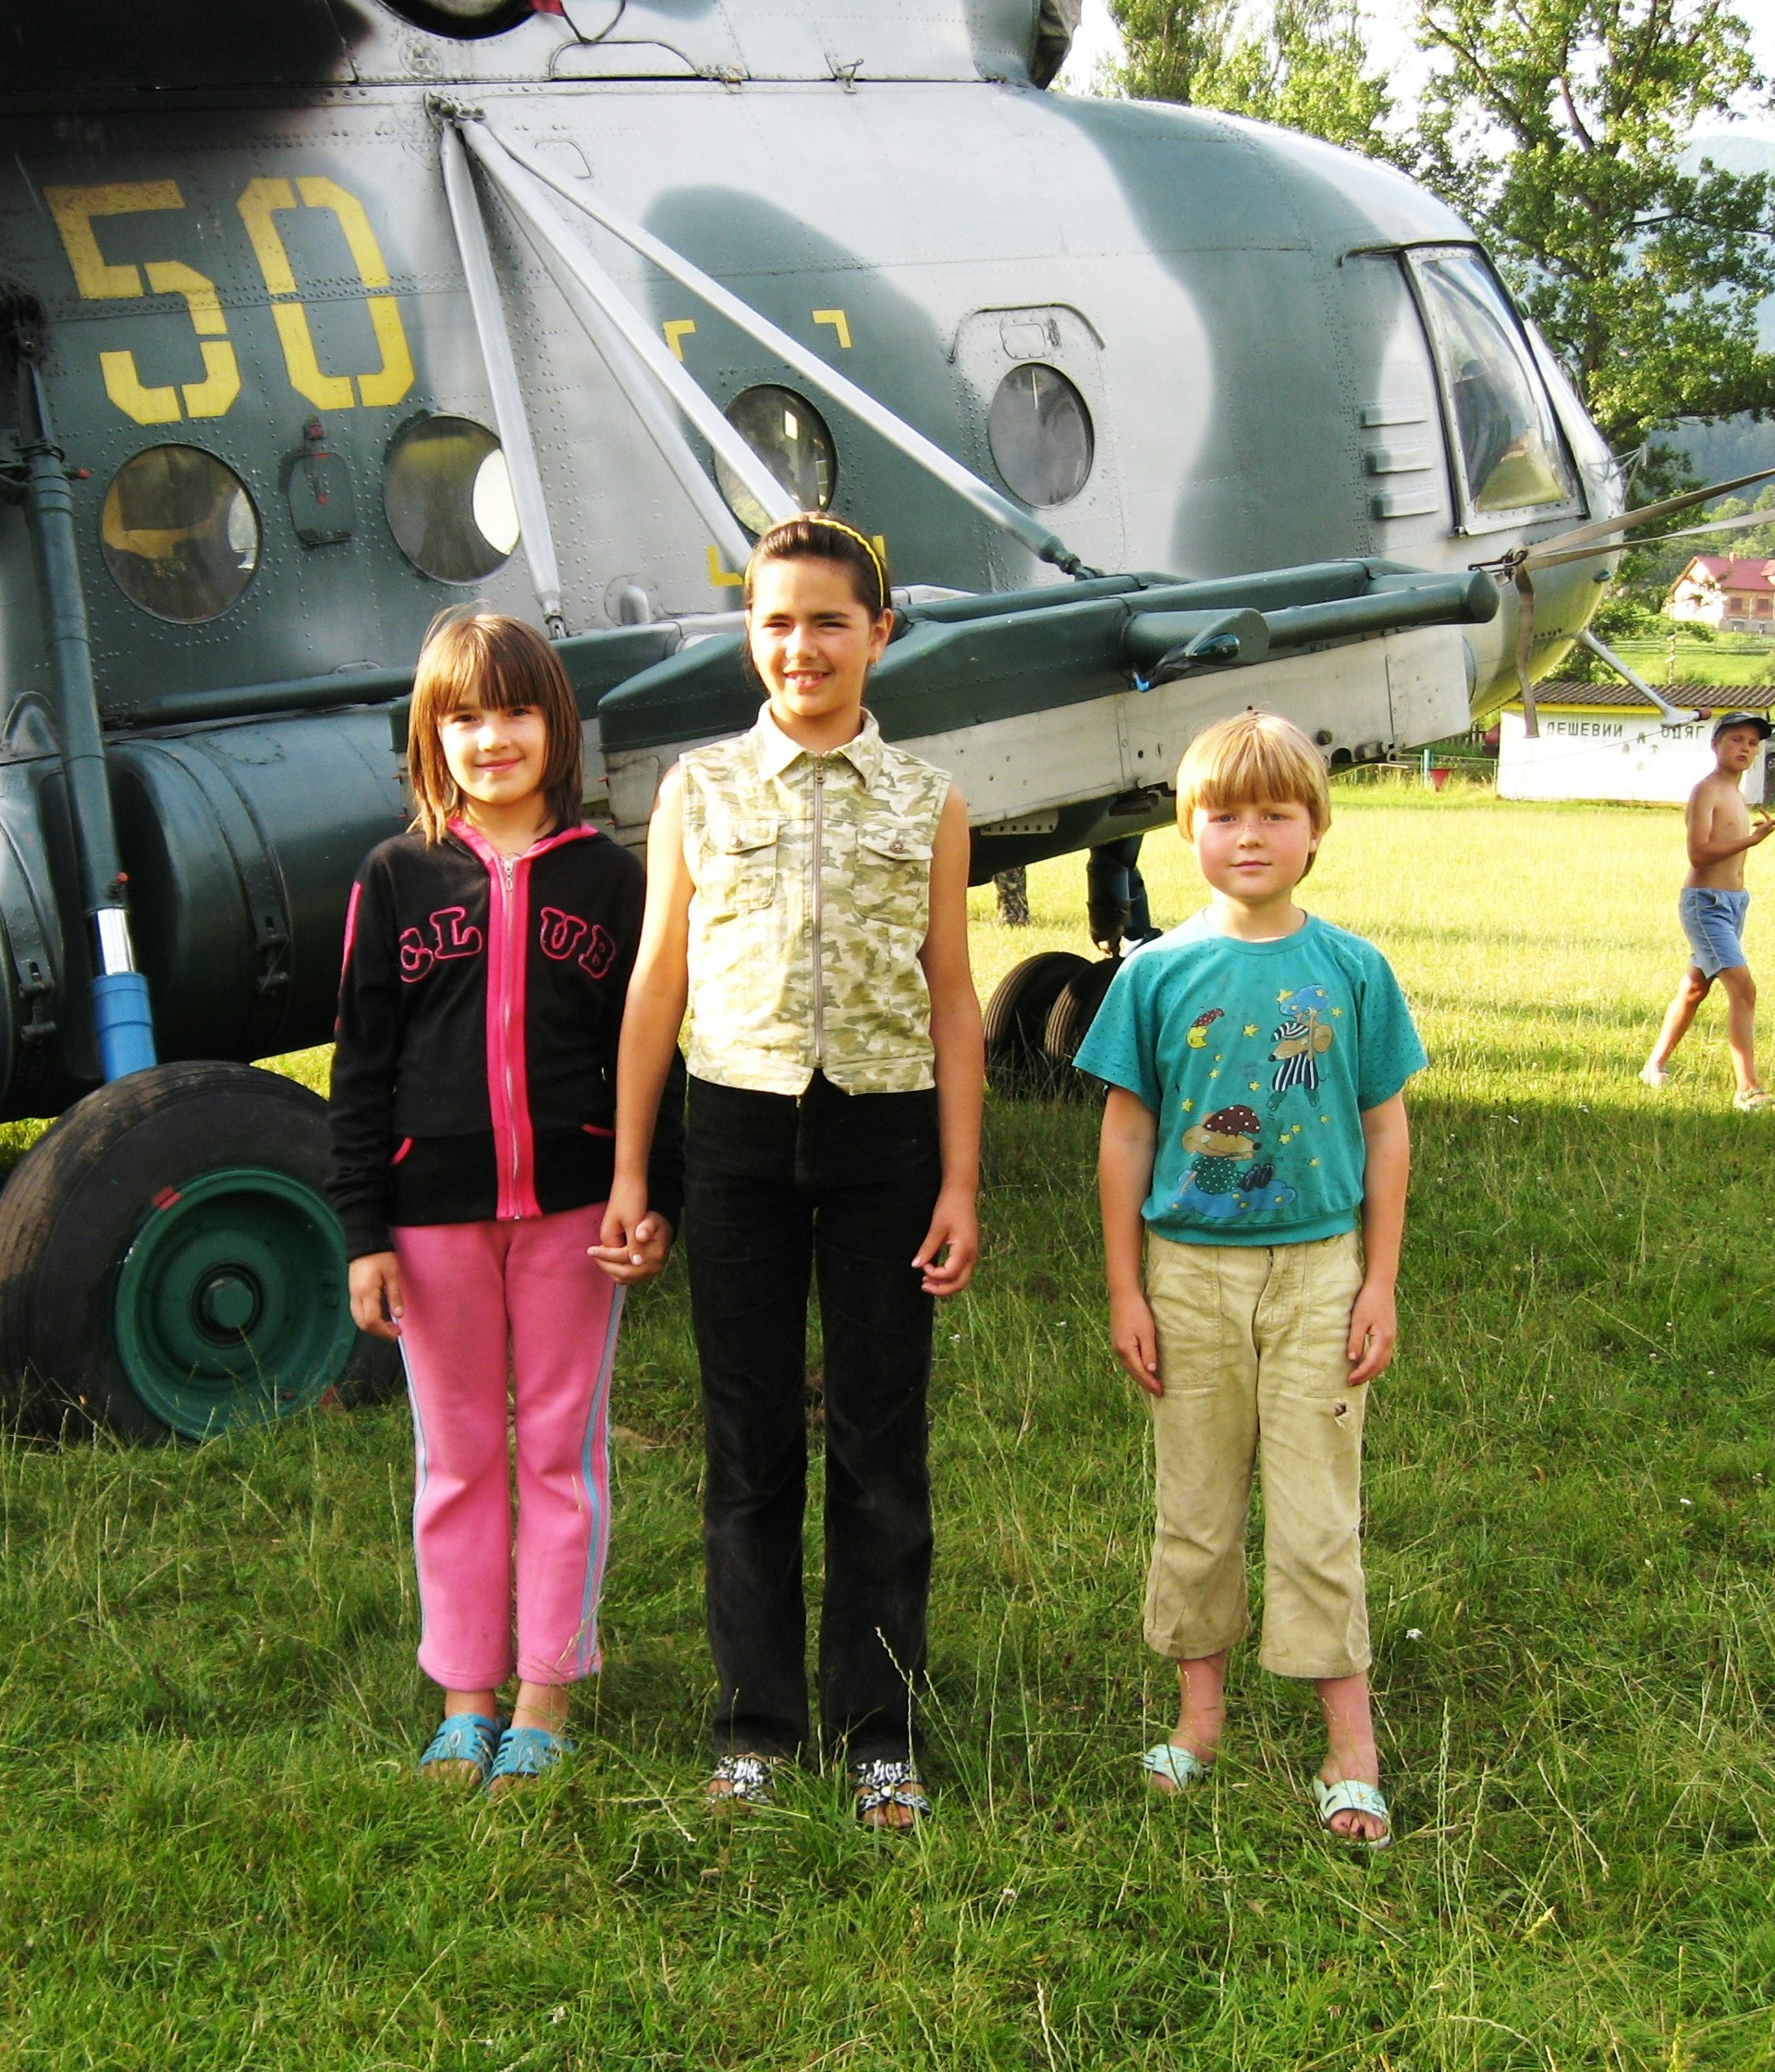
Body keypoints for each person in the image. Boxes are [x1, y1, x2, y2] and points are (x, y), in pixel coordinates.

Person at [603, 512, 984, 1833]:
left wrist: (959, 1183)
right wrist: (634, 1173)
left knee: (881, 1446)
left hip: (885, 1141)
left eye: (829, 620)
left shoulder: (929, 800)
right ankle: (756, 1728)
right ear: (747, 638)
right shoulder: (699, 792)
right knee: (748, 1443)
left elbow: (951, 1000)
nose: (801, 646)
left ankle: (880, 1734)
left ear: (881, 633)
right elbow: (658, 982)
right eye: (774, 621)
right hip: (740, 1138)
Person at [328, 608, 679, 1796]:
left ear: (556, 727)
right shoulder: (393, 881)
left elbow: (655, 1051)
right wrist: (362, 1231)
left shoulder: (610, 878)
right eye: (464, 716)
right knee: (460, 1454)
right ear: (431, 734)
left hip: (576, 1215)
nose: (493, 738)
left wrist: (655, 1194)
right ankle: (464, 1695)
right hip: (430, 1221)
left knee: (564, 1453)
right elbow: (360, 1067)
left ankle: (545, 1694)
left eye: (516, 711)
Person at [1074, 712, 1423, 1850]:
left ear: (1317, 831)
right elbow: (1126, 1139)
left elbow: (1386, 1129)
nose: (1252, 834)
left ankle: (1350, 1743)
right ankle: (1201, 1717)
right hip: (1188, 1279)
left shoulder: (1354, 971)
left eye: (1279, 811)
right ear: (1188, 830)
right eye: (1225, 813)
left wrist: (1380, 1280)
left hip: (1321, 1273)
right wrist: (1128, 1289)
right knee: (1197, 1505)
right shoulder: (1157, 975)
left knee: (1320, 1512)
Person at [1639, 710, 1775, 1110]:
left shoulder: (1737, 793)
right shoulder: (1707, 790)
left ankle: (1654, 1066)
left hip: (1734, 904)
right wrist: (1751, 841)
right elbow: (1698, 854)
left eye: (1752, 743)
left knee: (1695, 988)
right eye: (1736, 739)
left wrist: (1753, 838)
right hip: (1706, 904)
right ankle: (1748, 1090)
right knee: (1743, 988)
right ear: (1715, 744)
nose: (1745, 748)